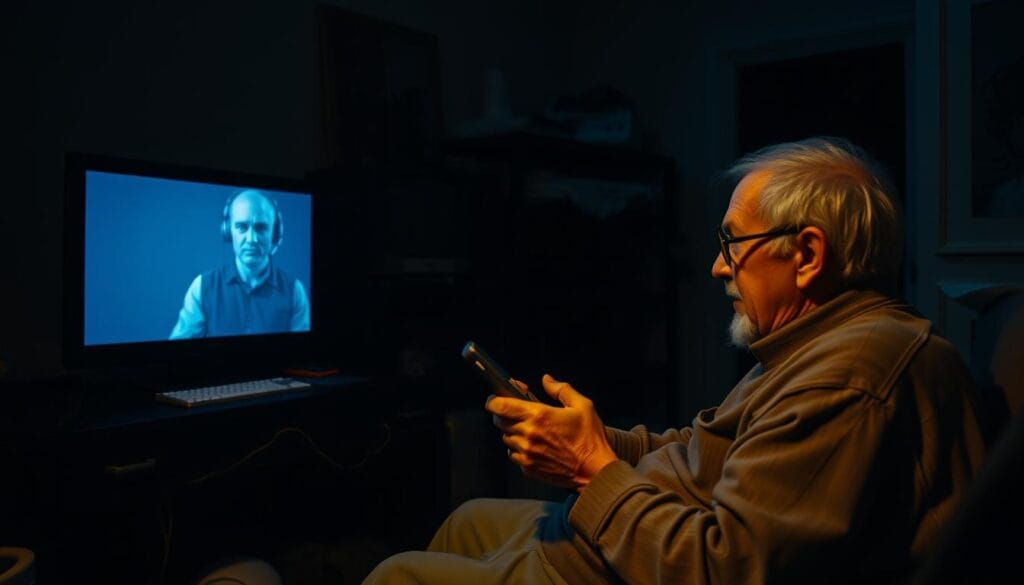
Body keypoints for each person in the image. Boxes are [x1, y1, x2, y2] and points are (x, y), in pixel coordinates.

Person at [361, 137, 990, 585]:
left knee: (397, 574)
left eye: (731, 243)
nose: (718, 266)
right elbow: (700, 452)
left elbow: (723, 567)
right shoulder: (812, 344)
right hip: (632, 534)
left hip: (631, 564)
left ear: (805, 254)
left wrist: (589, 469)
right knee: (468, 519)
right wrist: (589, 439)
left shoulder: (850, 380)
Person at [170, 189, 310, 339]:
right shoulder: (202, 287)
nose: (251, 239)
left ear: (275, 233)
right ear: (228, 231)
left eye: (261, 228)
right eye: (242, 227)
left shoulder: (295, 291)